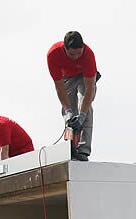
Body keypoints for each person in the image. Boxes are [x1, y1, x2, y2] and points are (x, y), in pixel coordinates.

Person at [47, 31, 99, 162]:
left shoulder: (88, 55)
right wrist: (69, 111)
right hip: (66, 78)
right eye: (71, 54)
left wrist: (82, 115)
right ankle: (70, 146)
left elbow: (89, 89)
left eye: (78, 53)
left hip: (84, 78)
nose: (76, 57)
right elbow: (59, 88)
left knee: (86, 109)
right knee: (69, 113)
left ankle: (83, 150)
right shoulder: (53, 54)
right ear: (64, 48)